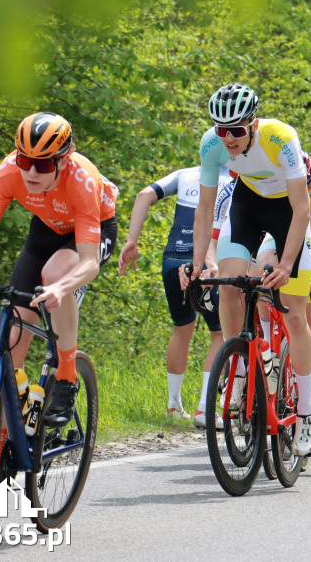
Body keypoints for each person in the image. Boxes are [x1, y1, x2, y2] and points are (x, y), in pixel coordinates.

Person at [0, 113, 118, 428]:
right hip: (45, 230)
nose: (31, 171)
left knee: (56, 274)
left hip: (92, 230)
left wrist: (60, 288)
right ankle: (6, 444)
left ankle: (67, 376)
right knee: (13, 340)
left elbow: (87, 263)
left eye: (43, 165)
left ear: (64, 159)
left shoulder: (83, 179)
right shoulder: (8, 172)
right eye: (24, 159)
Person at [179, 83, 311, 456]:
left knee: (294, 314)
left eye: (237, 131)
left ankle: (305, 410)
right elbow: (205, 209)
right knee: (228, 284)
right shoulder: (212, 144)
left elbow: (302, 210)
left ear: (253, 125)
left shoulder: (281, 137)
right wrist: (196, 264)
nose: (228, 139)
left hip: (288, 208)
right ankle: (239, 365)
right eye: (222, 130)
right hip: (249, 204)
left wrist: (287, 264)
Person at [118, 164, 231, 426]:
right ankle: (205, 409)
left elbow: (144, 195)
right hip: (208, 260)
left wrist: (132, 240)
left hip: (172, 258)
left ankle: (173, 406)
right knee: (221, 334)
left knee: (181, 330)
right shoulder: (236, 179)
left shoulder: (184, 174)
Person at [256, 153, 311, 453]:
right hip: (289, 242)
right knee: (259, 269)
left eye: (303, 186)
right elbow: (264, 246)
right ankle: (268, 343)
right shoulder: (275, 195)